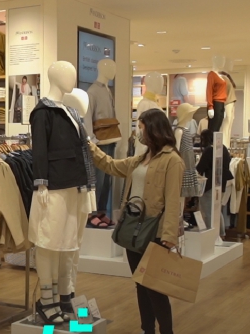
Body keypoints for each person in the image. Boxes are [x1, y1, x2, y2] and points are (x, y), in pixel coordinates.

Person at [90, 109, 183, 334]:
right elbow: (111, 165)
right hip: (134, 229)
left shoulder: (172, 161)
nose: (138, 132)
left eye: (140, 128)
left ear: (152, 128)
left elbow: (173, 202)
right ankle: (147, 329)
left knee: (155, 288)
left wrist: (169, 236)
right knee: (141, 284)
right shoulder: (140, 159)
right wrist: (90, 146)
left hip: (156, 232)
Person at [196, 129, 233, 230]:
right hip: (221, 184)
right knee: (216, 211)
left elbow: (200, 168)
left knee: (208, 211)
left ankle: (211, 233)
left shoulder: (209, 150)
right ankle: (221, 233)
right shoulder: (223, 148)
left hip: (209, 185)